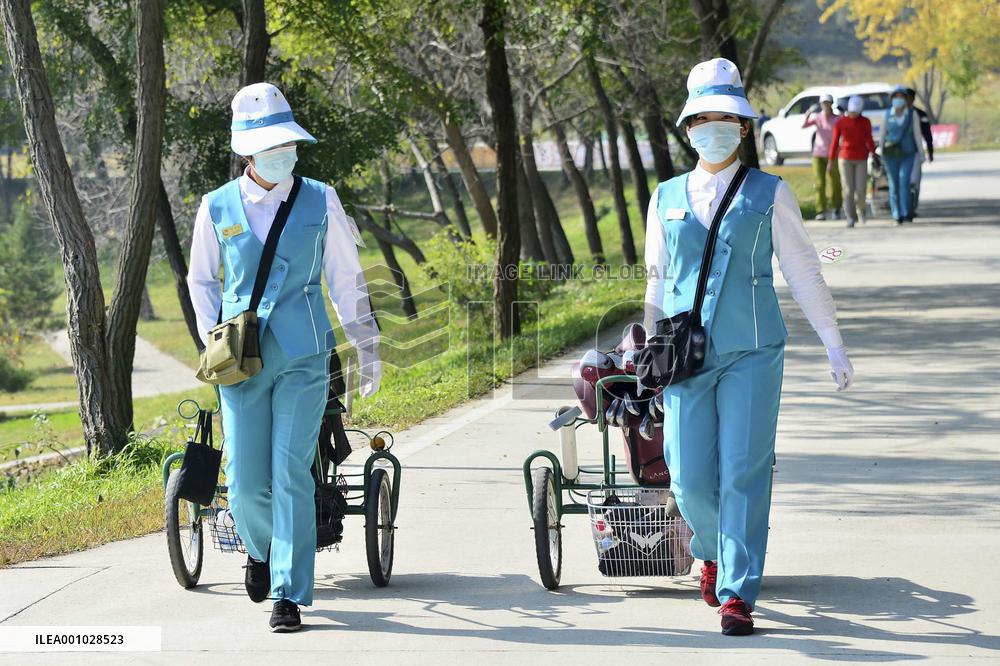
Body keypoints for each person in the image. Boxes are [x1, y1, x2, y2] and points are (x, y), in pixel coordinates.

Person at [643, 58, 854, 636]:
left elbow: (804, 270)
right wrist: (650, 343)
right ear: (688, 128)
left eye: (724, 118)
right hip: (685, 354)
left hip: (754, 351)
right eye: (701, 119)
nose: (712, 128)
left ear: (741, 126)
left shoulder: (770, 193)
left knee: (742, 471)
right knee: (687, 476)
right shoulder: (665, 197)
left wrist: (833, 342)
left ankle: (737, 592)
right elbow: (657, 279)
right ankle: (711, 551)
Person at [188, 83, 382, 632]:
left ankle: (288, 593)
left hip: (305, 353)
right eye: (272, 146)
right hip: (241, 362)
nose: (284, 153)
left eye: (288, 143)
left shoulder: (321, 199)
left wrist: (366, 344)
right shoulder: (216, 206)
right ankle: (262, 549)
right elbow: (201, 281)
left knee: (291, 470)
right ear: (248, 152)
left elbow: (345, 277)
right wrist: (213, 340)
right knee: (245, 480)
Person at [828, 95, 879, 227]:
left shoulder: (865, 122)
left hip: (861, 158)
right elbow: (834, 142)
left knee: (861, 188)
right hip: (845, 158)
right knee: (848, 189)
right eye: (851, 111)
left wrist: (874, 153)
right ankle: (850, 217)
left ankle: (861, 210)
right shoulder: (841, 122)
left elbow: (869, 139)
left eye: (856, 112)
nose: (853, 114)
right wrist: (830, 160)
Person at [879, 85, 924, 224]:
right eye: (896, 97)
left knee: (904, 181)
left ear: (905, 99)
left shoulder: (912, 114)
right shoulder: (887, 114)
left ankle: (906, 212)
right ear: (892, 99)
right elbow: (882, 135)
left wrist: (921, 153)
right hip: (890, 154)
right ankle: (896, 214)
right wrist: (880, 151)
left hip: (908, 153)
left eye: (901, 97)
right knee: (894, 183)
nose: (898, 99)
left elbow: (917, 134)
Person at [802, 93, 842, 220]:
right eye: (824, 103)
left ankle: (836, 208)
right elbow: (804, 126)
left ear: (831, 104)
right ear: (821, 104)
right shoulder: (818, 117)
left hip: (833, 154)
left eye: (828, 103)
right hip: (818, 154)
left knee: (835, 182)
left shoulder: (837, 119)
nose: (826, 105)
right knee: (819, 183)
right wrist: (807, 116)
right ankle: (821, 210)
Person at [905, 87, 934, 216]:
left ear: (912, 99)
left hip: (915, 152)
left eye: (907, 98)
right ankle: (904, 207)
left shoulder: (920, 114)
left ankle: (913, 206)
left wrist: (930, 151)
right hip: (901, 154)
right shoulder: (895, 114)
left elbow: (927, 134)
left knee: (915, 182)